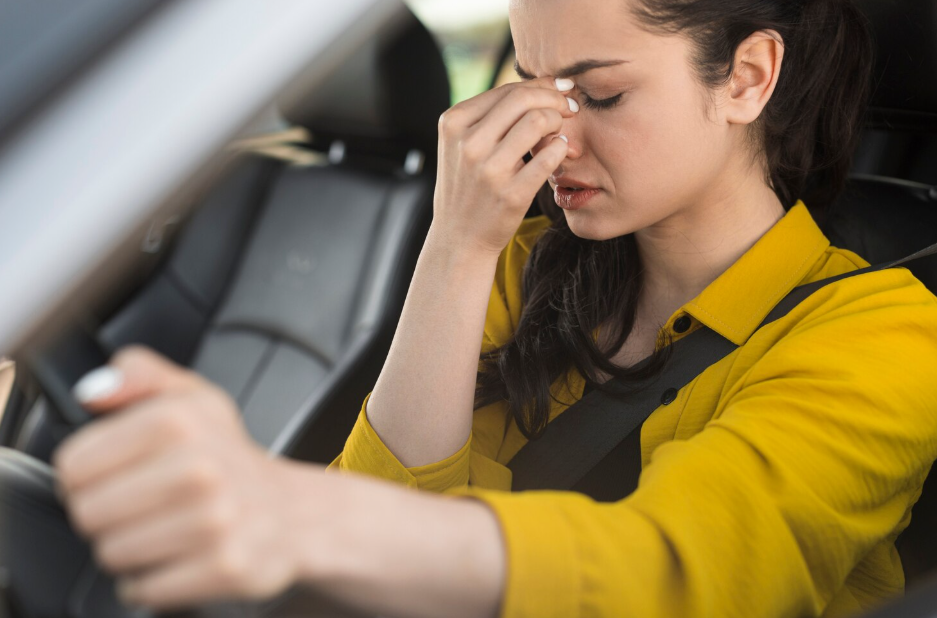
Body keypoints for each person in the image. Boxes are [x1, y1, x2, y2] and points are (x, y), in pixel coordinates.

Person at [51, 0, 937, 616]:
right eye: (535, 89)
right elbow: (379, 565)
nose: (554, 135)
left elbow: (680, 581)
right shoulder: (526, 267)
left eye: (600, 95)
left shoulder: (887, 336)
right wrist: (456, 243)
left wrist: (290, 512)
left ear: (746, 78)